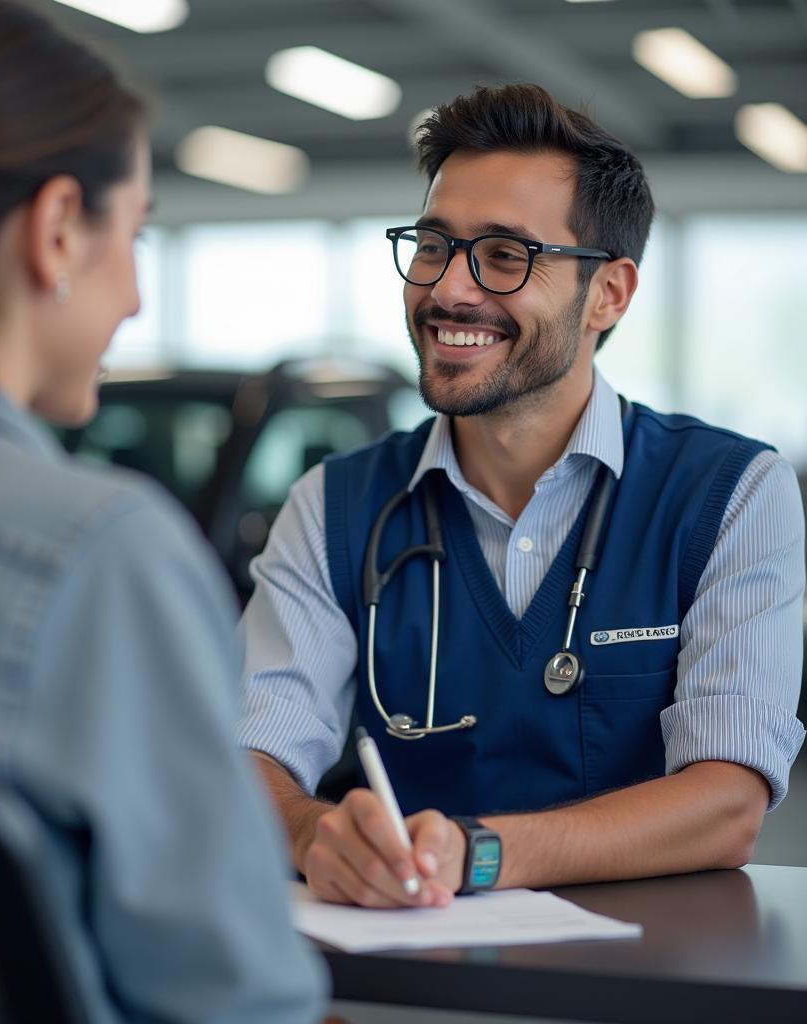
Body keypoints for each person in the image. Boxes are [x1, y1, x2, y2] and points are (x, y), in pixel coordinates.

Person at [0, 2, 327, 1021]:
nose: (133, 296)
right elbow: (236, 1003)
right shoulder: (100, 557)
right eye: (137, 231)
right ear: (57, 228)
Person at [237, 83, 806, 908]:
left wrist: (479, 854)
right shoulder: (333, 507)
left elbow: (727, 805)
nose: (449, 291)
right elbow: (251, 752)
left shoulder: (730, 497)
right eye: (433, 246)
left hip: (650, 979)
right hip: (405, 972)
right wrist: (308, 832)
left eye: (506, 255)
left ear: (608, 293)